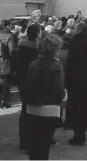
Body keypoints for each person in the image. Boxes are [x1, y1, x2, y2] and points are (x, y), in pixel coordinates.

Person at [22, 34, 67, 160]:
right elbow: (58, 90)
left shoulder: (33, 64)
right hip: (49, 109)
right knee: (43, 147)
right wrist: (64, 96)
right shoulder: (56, 66)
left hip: (32, 107)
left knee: (34, 147)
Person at [66, 23, 87, 145]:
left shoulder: (73, 44)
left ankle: (78, 133)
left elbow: (70, 63)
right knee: (85, 106)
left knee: (74, 106)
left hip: (74, 80)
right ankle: (82, 130)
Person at [16, 23, 41, 152]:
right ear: (37, 34)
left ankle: (24, 140)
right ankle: (30, 141)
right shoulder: (36, 50)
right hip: (33, 83)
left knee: (25, 110)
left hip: (22, 82)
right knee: (33, 111)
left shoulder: (21, 47)